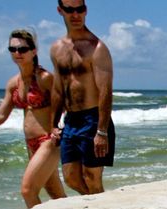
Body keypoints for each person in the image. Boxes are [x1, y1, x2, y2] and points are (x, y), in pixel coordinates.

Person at [0, 29, 66, 208]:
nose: (17, 53)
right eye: (12, 49)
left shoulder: (45, 78)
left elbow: (63, 104)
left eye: (22, 49)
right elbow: (2, 113)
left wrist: (57, 128)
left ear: (33, 51)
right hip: (30, 143)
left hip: (48, 142)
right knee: (54, 191)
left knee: (28, 190)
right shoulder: (14, 83)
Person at [50, 0, 115, 195]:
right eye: (69, 10)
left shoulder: (96, 47)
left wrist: (101, 131)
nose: (75, 14)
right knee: (71, 178)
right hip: (71, 120)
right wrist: (53, 124)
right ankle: (97, 208)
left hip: (93, 118)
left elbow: (105, 91)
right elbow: (58, 88)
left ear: (85, 10)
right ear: (60, 11)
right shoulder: (56, 48)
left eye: (79, 9)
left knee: (92, 177)